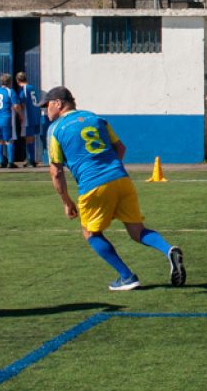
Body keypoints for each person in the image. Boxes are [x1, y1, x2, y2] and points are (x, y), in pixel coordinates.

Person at [43, 86, 186, 291]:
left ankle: (126, 276)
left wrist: (67, 202)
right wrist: (110, 170)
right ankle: (168, 249)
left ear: (58, 103)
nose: (46, 110)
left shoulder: (56, 129)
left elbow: (55, 172)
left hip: (93, 184)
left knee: (90, 233)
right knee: (137, 231)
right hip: (121, 178)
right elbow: (121, 148)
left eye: (47, 105)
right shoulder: (95, 118)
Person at [0, 73, 20, 168]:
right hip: (6, 118)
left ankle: (0, 161)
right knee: (9, 140)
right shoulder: (10, 92)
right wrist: (20, 114)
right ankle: (10, 162)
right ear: (10, 82)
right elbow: (16, 106)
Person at [15, 71, 41, 167]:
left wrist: (20, 114)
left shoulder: (23, 89)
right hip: (35, 114)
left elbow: (23, 102)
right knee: (32, 137)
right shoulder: (32, 87)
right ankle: (30, 158)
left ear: (17, 80)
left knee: (28, 138)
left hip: (28, 116)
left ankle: (31, 160)